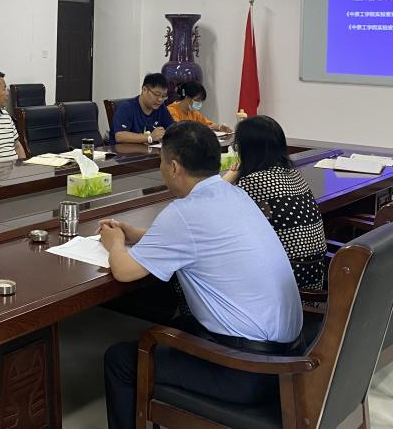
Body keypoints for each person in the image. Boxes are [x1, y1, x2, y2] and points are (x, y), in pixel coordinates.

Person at [98, 121, 303, 429]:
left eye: (161, 162)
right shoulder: (234, 194)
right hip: (287, 359)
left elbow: (125, 272)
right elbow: (194, 237)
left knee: (121, 360)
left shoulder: (183, 212)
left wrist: (115, 243)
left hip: (245, 369)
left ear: (174, 167)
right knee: (177, 324)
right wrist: (138, 235)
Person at [223, 115, 327, 291]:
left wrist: (228, 178)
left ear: (247, 149)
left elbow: (211, 207)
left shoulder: (253, 181)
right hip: (313, 276)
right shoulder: (294, 174)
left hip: (285, 284)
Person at [109, 73, 174, 145]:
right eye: (157, 94)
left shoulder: (161, 108)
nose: (160, 99)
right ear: (144, 90)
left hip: (150, 151)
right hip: (124, 151)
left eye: (164, 96)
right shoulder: (126, 107)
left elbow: (173, 130)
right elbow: (120, 136)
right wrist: (150, 137)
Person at [167, 80, 232, 133]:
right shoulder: (171, 111)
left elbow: (209, 124)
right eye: (197, 100)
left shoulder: (194, 113)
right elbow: (179, 131)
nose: (199, 103)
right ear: (187, 97)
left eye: (201, 101)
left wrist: (220, 128)